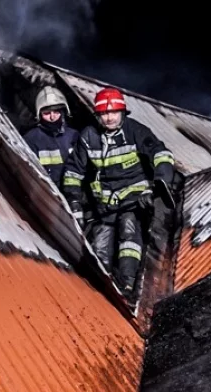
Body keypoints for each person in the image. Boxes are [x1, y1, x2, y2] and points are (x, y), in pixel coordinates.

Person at [62, 87, 177, 296]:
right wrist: (74, 202)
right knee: (99, 247)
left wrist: (159, 183)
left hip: (134, 198)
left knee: (129, 230)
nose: (109, 118)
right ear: (97, 115)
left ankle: (127, 284)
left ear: (123, 112)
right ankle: (99, 289)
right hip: (104, 205)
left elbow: (161, 153)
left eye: (113, 112)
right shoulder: (88, 136)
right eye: (104, 114)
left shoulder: (136, 131)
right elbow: (73, 171)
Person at [23, 86, 79, 190]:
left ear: (63, 111)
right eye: (47, 113)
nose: (52, 117)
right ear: (39, 114)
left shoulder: (74, 136)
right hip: (48, 193)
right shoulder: (31, 139)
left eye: (56, 112)